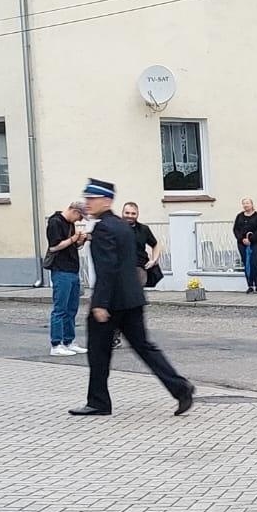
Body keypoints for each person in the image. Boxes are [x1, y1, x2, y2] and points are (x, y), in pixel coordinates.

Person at [69, 179, 194, 417]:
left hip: (112, 302)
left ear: (106, 201)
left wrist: (100, 303)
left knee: (98, 351)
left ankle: (98, 402)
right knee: (145, 347)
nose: (88, 203)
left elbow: (108, 269)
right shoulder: (121, 226)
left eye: (91, 199)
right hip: (133, 298)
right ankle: (180, 388)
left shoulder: (104, 228)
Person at [44, 201, 88, 356]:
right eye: (80, 216)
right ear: (74, 211)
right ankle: (56, 345)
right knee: (60, 309)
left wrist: (79, 241)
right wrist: (73, 239)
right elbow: (54, 247)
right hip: (61, 270)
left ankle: (69, 341)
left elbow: (72, 247)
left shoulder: (70, 224)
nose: (79, 220)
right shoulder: (55, 222)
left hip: (72, 270)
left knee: (71, 309)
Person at [122, 202, 163, 289]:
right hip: (121, 269)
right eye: (127, 213)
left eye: (133, 213)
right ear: (122, 213)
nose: (130, 216)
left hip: (139, 268)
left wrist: (153, 260)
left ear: (137, 214)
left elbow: (155, 245)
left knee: (135, 295)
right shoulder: (116, 228)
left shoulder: (143, 229)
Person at [233, 198, 257, 292]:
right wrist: (241, 239)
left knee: (254, 262)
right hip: (242, 243)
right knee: (246, 263)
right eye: (244, 204)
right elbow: (235, 229)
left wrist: (250, 239)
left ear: (252, 204)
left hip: (255, 243)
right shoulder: (239, 216)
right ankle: (250, 285)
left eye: (247, 203)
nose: (246, 205)